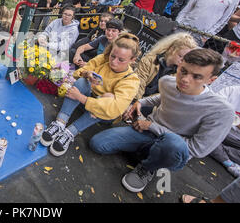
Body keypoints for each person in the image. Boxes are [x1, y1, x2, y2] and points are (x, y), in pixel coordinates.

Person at [90, 48, 234, 193]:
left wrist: (151, 126)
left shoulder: (221, 110)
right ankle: (146, 154)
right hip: (146, 132)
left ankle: (148, 167)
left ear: (211, 80)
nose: (185, 79)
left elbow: (197, 149)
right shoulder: (167, 82)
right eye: (183, 71)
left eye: (196, 77)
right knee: (98, 144)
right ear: (180, 64)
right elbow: (162, 97)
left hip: (171, 147)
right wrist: (140, 102)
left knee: (173, 144)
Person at [41, 33, 141, 157]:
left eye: (121, 60)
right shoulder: (103, 59)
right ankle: (60, 123)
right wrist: (87, 73)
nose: (114, 62)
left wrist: (81, 98)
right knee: (83, 82)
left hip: (102, 113)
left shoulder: (131, 80)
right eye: (112, 56)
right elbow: (78, 73)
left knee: (108, 99)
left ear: (132, 60)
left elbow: (114, 109)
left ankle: (70, 132)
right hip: (88, 100)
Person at [133, 32, 198, 104]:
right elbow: (138, 83)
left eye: (185, 60)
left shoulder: (180, 74)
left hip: (152, 106)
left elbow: (165, 95)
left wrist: (142, 103)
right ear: (171, 49)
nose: (182, 61)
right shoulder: (150, 60)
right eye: (180, 56)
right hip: (135, 98)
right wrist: (136, 103)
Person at [209, 86, 240, 177]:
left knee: (207, 140)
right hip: (219, 127)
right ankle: (228, 162)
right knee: (208, 130)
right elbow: (213, 108)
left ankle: (218, 149)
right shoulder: (232, 91)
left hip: (235, 137)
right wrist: (236, 121)